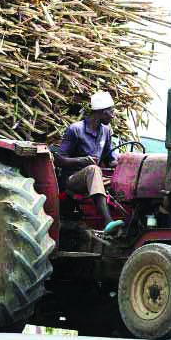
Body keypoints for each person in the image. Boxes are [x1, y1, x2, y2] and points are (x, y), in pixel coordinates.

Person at [54, 91, 123, 234]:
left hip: (94, 179)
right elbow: (59, 159)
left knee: (123, 184)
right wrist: (82, 161)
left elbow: (110, 160)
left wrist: (126, 162)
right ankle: (108, 221)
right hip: (72, 180)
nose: (113, 115)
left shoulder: (105, 131)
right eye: (111, 112)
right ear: (102, 113)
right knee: (93, 169)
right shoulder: (75, 129)